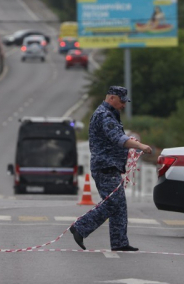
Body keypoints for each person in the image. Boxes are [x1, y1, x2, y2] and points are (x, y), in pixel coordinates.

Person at [69, 86, 152, 251]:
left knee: (119, 204)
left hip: (110, 166)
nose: (123, 105)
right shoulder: (104, 116)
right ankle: (80, 227)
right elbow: (118, 138)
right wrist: (139, 145)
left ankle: (119, 242)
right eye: (122, 101)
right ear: (112, 98)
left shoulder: (110, 115)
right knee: (113, 202)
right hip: (105, 166)